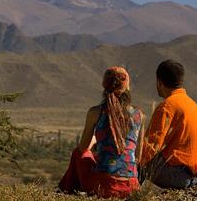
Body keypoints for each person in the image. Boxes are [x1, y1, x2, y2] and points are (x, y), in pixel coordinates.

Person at [58, 66, 145, 199]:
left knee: (78, 153)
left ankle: (66, 190)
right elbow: (138, 156)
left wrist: (94, 140)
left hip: (103, 186)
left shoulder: (95, 112)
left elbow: (82, 148)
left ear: (104, 85)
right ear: (127, 87)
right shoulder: (139, 115)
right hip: (131, 187)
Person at [139, 59, 197, 189]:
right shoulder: (192, 104)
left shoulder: (167, 106)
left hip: (177, 176)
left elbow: (151, 145)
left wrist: (133, 164)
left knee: (135, 161)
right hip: (194, 176)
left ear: (159, 82)